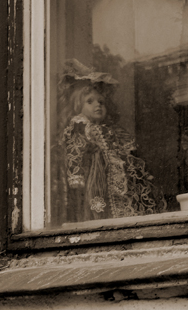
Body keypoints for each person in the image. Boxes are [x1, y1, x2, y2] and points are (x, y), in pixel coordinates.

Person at [58, 59, 166, 223]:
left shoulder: (111, 129)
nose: (97, 105)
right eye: (90, 101)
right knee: (98, 203)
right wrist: (76, 177)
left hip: (117, 173)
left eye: (101, 102)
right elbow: (75, 150)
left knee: (126, 197)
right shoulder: (80, 125)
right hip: (96, 173)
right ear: (78, 105)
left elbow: (127, 148)